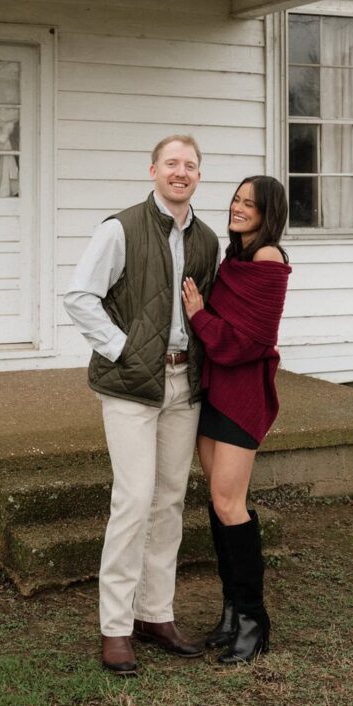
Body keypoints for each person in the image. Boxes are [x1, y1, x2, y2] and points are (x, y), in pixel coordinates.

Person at [64, 135, 219, 677]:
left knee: (170, 500)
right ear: (153, 169)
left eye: (190, 165)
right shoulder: (120, 228)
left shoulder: (207, 239)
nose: (181, 172)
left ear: (199, 175)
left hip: (183, 385)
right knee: (132, 500)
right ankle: (115, 627)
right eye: (172, 163)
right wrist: (122, 348)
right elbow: (80, 296)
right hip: (130, 385)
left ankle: (156, 614)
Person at [181, 175, 291, 665]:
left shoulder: (268, 260)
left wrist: (200, 316)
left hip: (241, 395)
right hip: (216, 389)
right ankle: (231, 611)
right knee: (223, 501)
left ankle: (254, 620)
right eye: (236, 199)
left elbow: (249, 342)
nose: (239, 207)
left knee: (230, 503)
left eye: (251, 204)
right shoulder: (235, 259)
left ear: (269, 214)